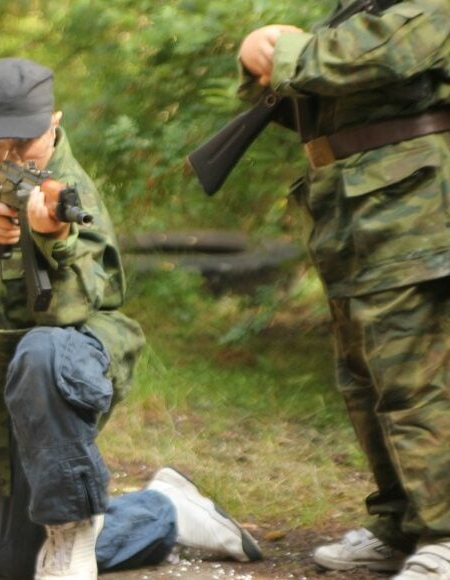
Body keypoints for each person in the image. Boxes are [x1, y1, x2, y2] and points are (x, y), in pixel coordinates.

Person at [0, 57, 263, 579]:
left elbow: (81, 305)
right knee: (14, 563)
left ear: (55, 122)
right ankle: (166, 511)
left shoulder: (68, 191)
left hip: (78, 358)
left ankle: (72, 529)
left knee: (41, 350)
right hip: (5, 378)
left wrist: (52, 238)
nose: (9, 157)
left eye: (26, 143)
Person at [236, 2, 450, 578]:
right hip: (347, 214)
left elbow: (380, 53)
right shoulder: (355, 9)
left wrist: (279, 49)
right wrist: (260, 60)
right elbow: (316, 100)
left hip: (413, 215)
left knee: (414, 379)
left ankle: (445, 533)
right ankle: (400, 523)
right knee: (362, 378)